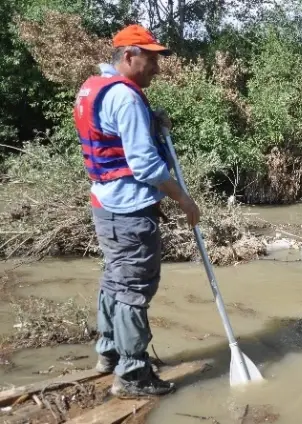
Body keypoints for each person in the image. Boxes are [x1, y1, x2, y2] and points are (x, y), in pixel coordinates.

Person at [73, 24, 201, 397]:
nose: (157, 69)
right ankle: (132, 376)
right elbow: (145, 166)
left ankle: (109, 354)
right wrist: (184, 199)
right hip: (128, 208)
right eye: (152, 60)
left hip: (106, 204)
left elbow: (110, 131)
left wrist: (151, 121)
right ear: (129, 56)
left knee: (115, 279)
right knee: (133, 289)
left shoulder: (93, 87)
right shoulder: (125, 97)